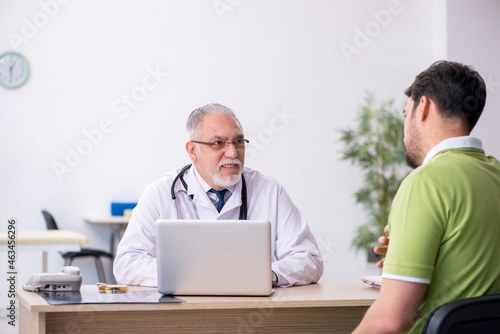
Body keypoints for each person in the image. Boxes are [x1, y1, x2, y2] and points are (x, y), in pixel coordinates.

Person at [353, 61, 500, 333]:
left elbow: (390, 320)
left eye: (404, 113)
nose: (404, 126)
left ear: (423, 107)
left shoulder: (424, 183)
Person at [113, 103, 323, 287]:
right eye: (218, 143)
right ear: (192, 151)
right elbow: (127, 262)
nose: (232, 153)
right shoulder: (160, 193)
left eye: (238, 142)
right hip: (184, 313)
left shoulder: (270, 191)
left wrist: (267, 275)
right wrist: (192, 275)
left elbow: (309, 259)